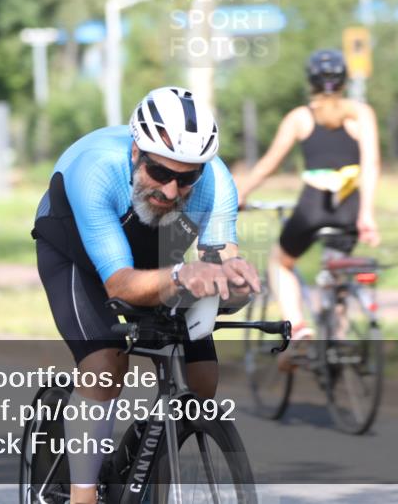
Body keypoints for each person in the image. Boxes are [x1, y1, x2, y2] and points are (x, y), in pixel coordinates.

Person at [32, 86, 260, 504]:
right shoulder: (96, 170)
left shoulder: (215, 180)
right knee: (105, 364)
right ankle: (83, 494)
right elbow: (120, 285)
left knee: (201, 383)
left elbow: (220, 256)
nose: (172, 190)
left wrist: (237, 279)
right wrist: (179, 276)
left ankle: (151, 439)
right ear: (137, 152)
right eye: (160, 173)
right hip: (74, 246)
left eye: (186, 177)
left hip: (154, 242)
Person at [235, 50, 381, 346]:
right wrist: (366, 213)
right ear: (343, 81)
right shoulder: (361, 113)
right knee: (337, 272)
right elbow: (372, 164)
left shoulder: (300, 118)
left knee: (280, 262)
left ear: (311, 82)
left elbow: (269, 164)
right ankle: (338, 346)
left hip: (312, 207)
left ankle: (299, 329)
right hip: (349, 207)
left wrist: (239, 195)